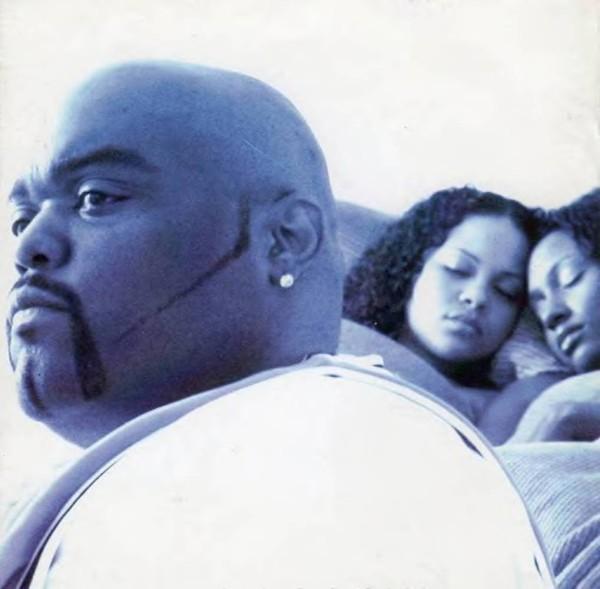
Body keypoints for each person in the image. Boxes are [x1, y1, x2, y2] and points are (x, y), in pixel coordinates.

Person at [1, 61, 553, 587]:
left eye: (95, 198)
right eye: (22, 220)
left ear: (285, 240)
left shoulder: (344, 452)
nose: (28, 247)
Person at [343, 187, 545, 424]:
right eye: (457, 268)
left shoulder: (503, 415)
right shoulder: (329, 341)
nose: (476, 296)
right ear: (413, 266)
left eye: (506, 290)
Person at [492, 189, 600, 443]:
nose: (551, 315)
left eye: (569, 278)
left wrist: (567, 418)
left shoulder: (564, 410)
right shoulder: (546, 397)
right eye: (538, 309)